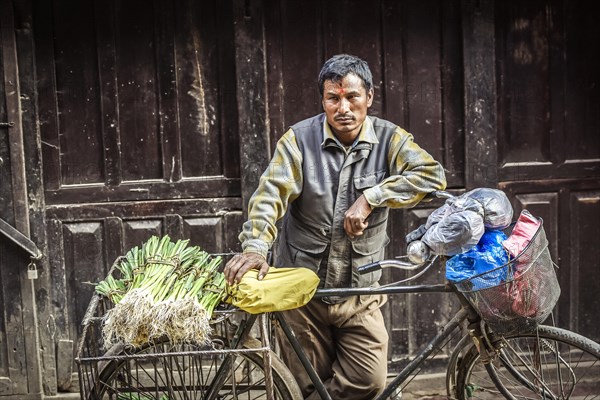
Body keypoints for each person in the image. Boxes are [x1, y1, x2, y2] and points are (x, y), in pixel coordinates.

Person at [224, 54, 446, 399]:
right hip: (303, 294)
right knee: (308, 383)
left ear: (369, 98)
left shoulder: (391, 139)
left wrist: (372, 196)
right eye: (333, 98)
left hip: (360, 290)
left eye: (352, 97)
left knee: (369, 381)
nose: (343, 107)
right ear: (324, 100)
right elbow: (269, 196)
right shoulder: (298, 140)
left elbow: (432, 176)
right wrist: (255, 247)